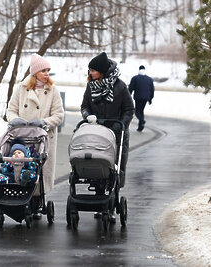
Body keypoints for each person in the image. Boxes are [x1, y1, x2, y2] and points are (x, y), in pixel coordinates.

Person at [6, 53, 64, 218]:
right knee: (21, 165)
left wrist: (45, 122)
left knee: (40, 169)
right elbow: (11, 110)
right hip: (22, 137)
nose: (47, 74)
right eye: (43, 70)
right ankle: (20, 198)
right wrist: (15, 121)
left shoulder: (53, 91)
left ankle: (38, 201)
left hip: (43, 138)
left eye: (48, 70)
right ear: (35, 73)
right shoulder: (21, 89)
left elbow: (59, 115)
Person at [81, 52, 134, 221]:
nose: (90, 73)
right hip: (96, 133)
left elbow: (129, 109)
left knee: (114, 170)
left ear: (102, 71)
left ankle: (111, 204)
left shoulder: (120, 87)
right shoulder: (90, 87)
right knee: (97, 166)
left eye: (93, 70)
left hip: (117, 134)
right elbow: (85, 106)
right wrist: (88, 117)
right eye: (89, 70)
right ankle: (99, 201)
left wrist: (122, 125)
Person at [128, 65, 155, 132]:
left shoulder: (135, 78)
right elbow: (152, 89)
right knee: (141, 111)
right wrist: (150, 99)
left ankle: (142, 121)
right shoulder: (149, 79)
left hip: (138, 97)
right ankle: (140, 127)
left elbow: (131, 88)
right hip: (146, 98)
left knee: (137, 112)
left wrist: (128, 96)